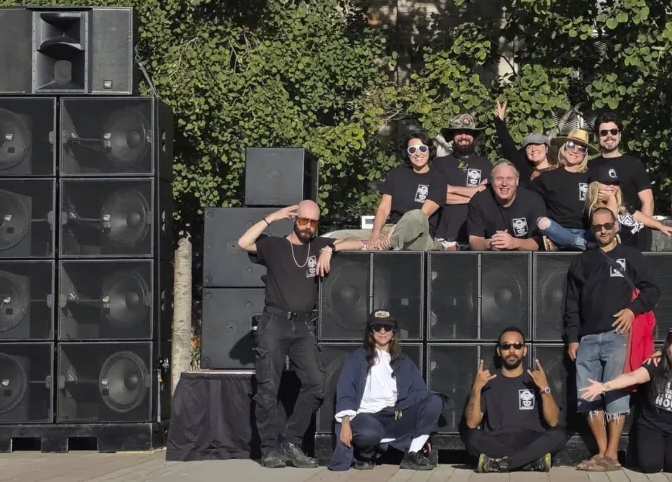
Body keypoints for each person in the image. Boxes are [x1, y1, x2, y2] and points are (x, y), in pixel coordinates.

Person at [236, 200, 361, 468]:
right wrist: (274, 217)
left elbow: (358, 242)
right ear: (295, 220)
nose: (308, 226)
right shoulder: (275, 245)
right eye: (303, 220)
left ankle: (291, 443)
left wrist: (330, 247)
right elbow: (243, 242)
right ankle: (269, 449)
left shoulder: (317, 245)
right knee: (268, 388)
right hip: (275, 322)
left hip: (304, 326)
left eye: (313, 222)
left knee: (317, 383)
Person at [564, 207, 660, 471]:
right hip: (587, 337)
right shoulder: (583, 261)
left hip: (620, 335)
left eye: (607, 225)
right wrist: (573, 337)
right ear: (592, 229)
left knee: (616, 393)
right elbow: (572, 303)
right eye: (598, 227)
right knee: (587, 396)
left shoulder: (631, 255)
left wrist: (633, 309)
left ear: (616, 225)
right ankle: (604, 452)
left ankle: (611, 455)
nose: (603, 231)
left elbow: (652, 289)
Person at [579, 329, 672, 474]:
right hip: (651, 424)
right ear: (667, 348)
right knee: (650, 467)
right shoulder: (656, 365)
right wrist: (604, 387)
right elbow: (633, 377)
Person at [329, 310, 444, 471]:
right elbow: (346, 391)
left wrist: (424, 431)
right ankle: (364, 456)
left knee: (434, 400)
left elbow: (418, 393)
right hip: (366, 416)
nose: (382, 331)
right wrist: (346, 422)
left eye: (387, 328)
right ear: (371, 332)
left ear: (393, 333)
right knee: (369, 433)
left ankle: (412, 454)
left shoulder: (404, 360)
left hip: (394, 415)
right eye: (377, 327)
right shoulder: (356, 358)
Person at [463, 327, 568, 472]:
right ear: (499, 351)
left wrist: (544, 388)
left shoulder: (537, 378)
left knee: (559, 434)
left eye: (517, 346)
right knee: (471, 437)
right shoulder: (487, 381)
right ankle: (529, 462)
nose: (512, 350)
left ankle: (502, 464)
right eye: (506, 346)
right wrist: (476, 389)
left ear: (524, 350)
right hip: (496, 441)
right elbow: (471, 423)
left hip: (531, 440)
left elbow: (553, 421)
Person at [331, 132, 448, 250]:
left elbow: (423, 215)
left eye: (422, 148)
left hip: (419, 236)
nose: (418, 153)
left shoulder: (438, 179)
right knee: (335, 237)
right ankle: (371, 244)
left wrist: (396, 229)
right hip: (389, 230)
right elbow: (383, 208)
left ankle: (380, 246)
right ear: (408, 153)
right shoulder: (396, 175)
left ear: (429, 150)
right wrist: (375, 235)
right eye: (412, 149)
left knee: (416, 215)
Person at [584, 164, 672, 250]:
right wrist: (611, 198)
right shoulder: (595, 210)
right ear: (594, 185)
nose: (612, 186)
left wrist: (661, 226)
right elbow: (610, 220)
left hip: (646, 231)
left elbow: (639, 216)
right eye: (606, 182)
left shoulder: (620, 206)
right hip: (646, 243)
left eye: (615, 183)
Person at [434, 113, 493, 250]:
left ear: (474, 137)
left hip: (476, 237)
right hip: (445, 237)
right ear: (452, 136)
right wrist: (475, 193)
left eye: (468, 133)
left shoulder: (485, 164)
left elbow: (487, 197)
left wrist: (452, 189)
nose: (464, 137)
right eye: (459, 132)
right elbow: (439, 196)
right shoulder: (439, 164)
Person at [466, 160, 547, 251]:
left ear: (517, 181)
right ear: (492, 181)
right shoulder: (479, 200)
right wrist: (493, 243)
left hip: (525, 260)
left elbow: (538, 244)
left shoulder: (533, 200)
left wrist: (514, 243)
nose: (504, 184)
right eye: (499, 178)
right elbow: (474, 242)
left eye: (509, 179)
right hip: (490, 259)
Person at [535, 129, 595, 250]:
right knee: (542, 222)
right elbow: (524, 194)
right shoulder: (548, 177)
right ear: (564, 147)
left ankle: (568, 244)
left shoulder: (592, 177)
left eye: (582, 148)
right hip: (557, 231)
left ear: (585, 154)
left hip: (587, 232)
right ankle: (580, 244)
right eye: (571, 145)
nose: (575, 151)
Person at [587, 113, 653, 216]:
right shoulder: (590, 165)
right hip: (598, 229)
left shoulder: (634, 164)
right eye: (604, 133)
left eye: (613, 132)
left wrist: (643, 228)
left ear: (620, 134)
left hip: (629, 227)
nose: (609, 136)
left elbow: (648, 202)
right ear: (597, 136)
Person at [492, 99, 554, 192]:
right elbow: (509, 148)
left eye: (537, 144)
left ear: (546, 148)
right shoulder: (525, 170)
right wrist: (500, 121)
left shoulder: (558, 171)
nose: (533, 149)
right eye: (529, 147)